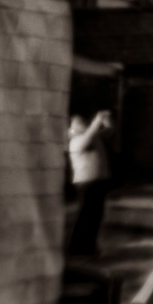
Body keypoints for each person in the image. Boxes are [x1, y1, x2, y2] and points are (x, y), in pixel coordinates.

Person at [67, 110, 113, 257]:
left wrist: (106, 120)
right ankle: (76, 248)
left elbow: (109, 131)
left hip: (98, 181)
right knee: (85, 217)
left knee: (95, 216)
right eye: (79, 123)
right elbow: (89, 135)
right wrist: (97, 120)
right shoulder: (75, 141)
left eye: (83, 122)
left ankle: (90, 247)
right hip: (86, 183)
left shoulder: (93, 137)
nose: (83, 125)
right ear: (72, 127)